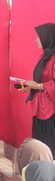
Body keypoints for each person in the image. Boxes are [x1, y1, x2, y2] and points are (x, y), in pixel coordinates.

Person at [21, 23, 55, 157]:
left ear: (48, 37)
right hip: (39, 107)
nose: (36, 40)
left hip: (51, 110)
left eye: (38, 37)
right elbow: (41, 80)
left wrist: (39, 86)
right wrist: (31, 86)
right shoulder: (44, 56)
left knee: (51, 144)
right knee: (40, 143)